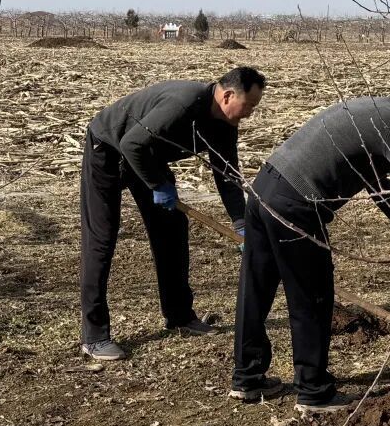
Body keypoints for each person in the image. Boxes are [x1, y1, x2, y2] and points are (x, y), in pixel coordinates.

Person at [231, 88, 390, 410]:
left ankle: (247, 379)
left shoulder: (376, 112)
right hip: (295, 205)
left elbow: (376, 183)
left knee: (256, 287)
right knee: (312, 296)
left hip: (264, 190)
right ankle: (313, 392)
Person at [79, 66, 266, 361]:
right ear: (229, 95)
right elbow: (131, 143)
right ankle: (94, 336)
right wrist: (158, 185)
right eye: (250, 105)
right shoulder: (185, 103)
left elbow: (227, 174)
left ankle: (179, 315)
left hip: (147, 156)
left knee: (172, 230)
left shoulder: (224, 125)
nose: (251, 112)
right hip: (109, 148)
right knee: (101, 240)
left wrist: (241, 223)